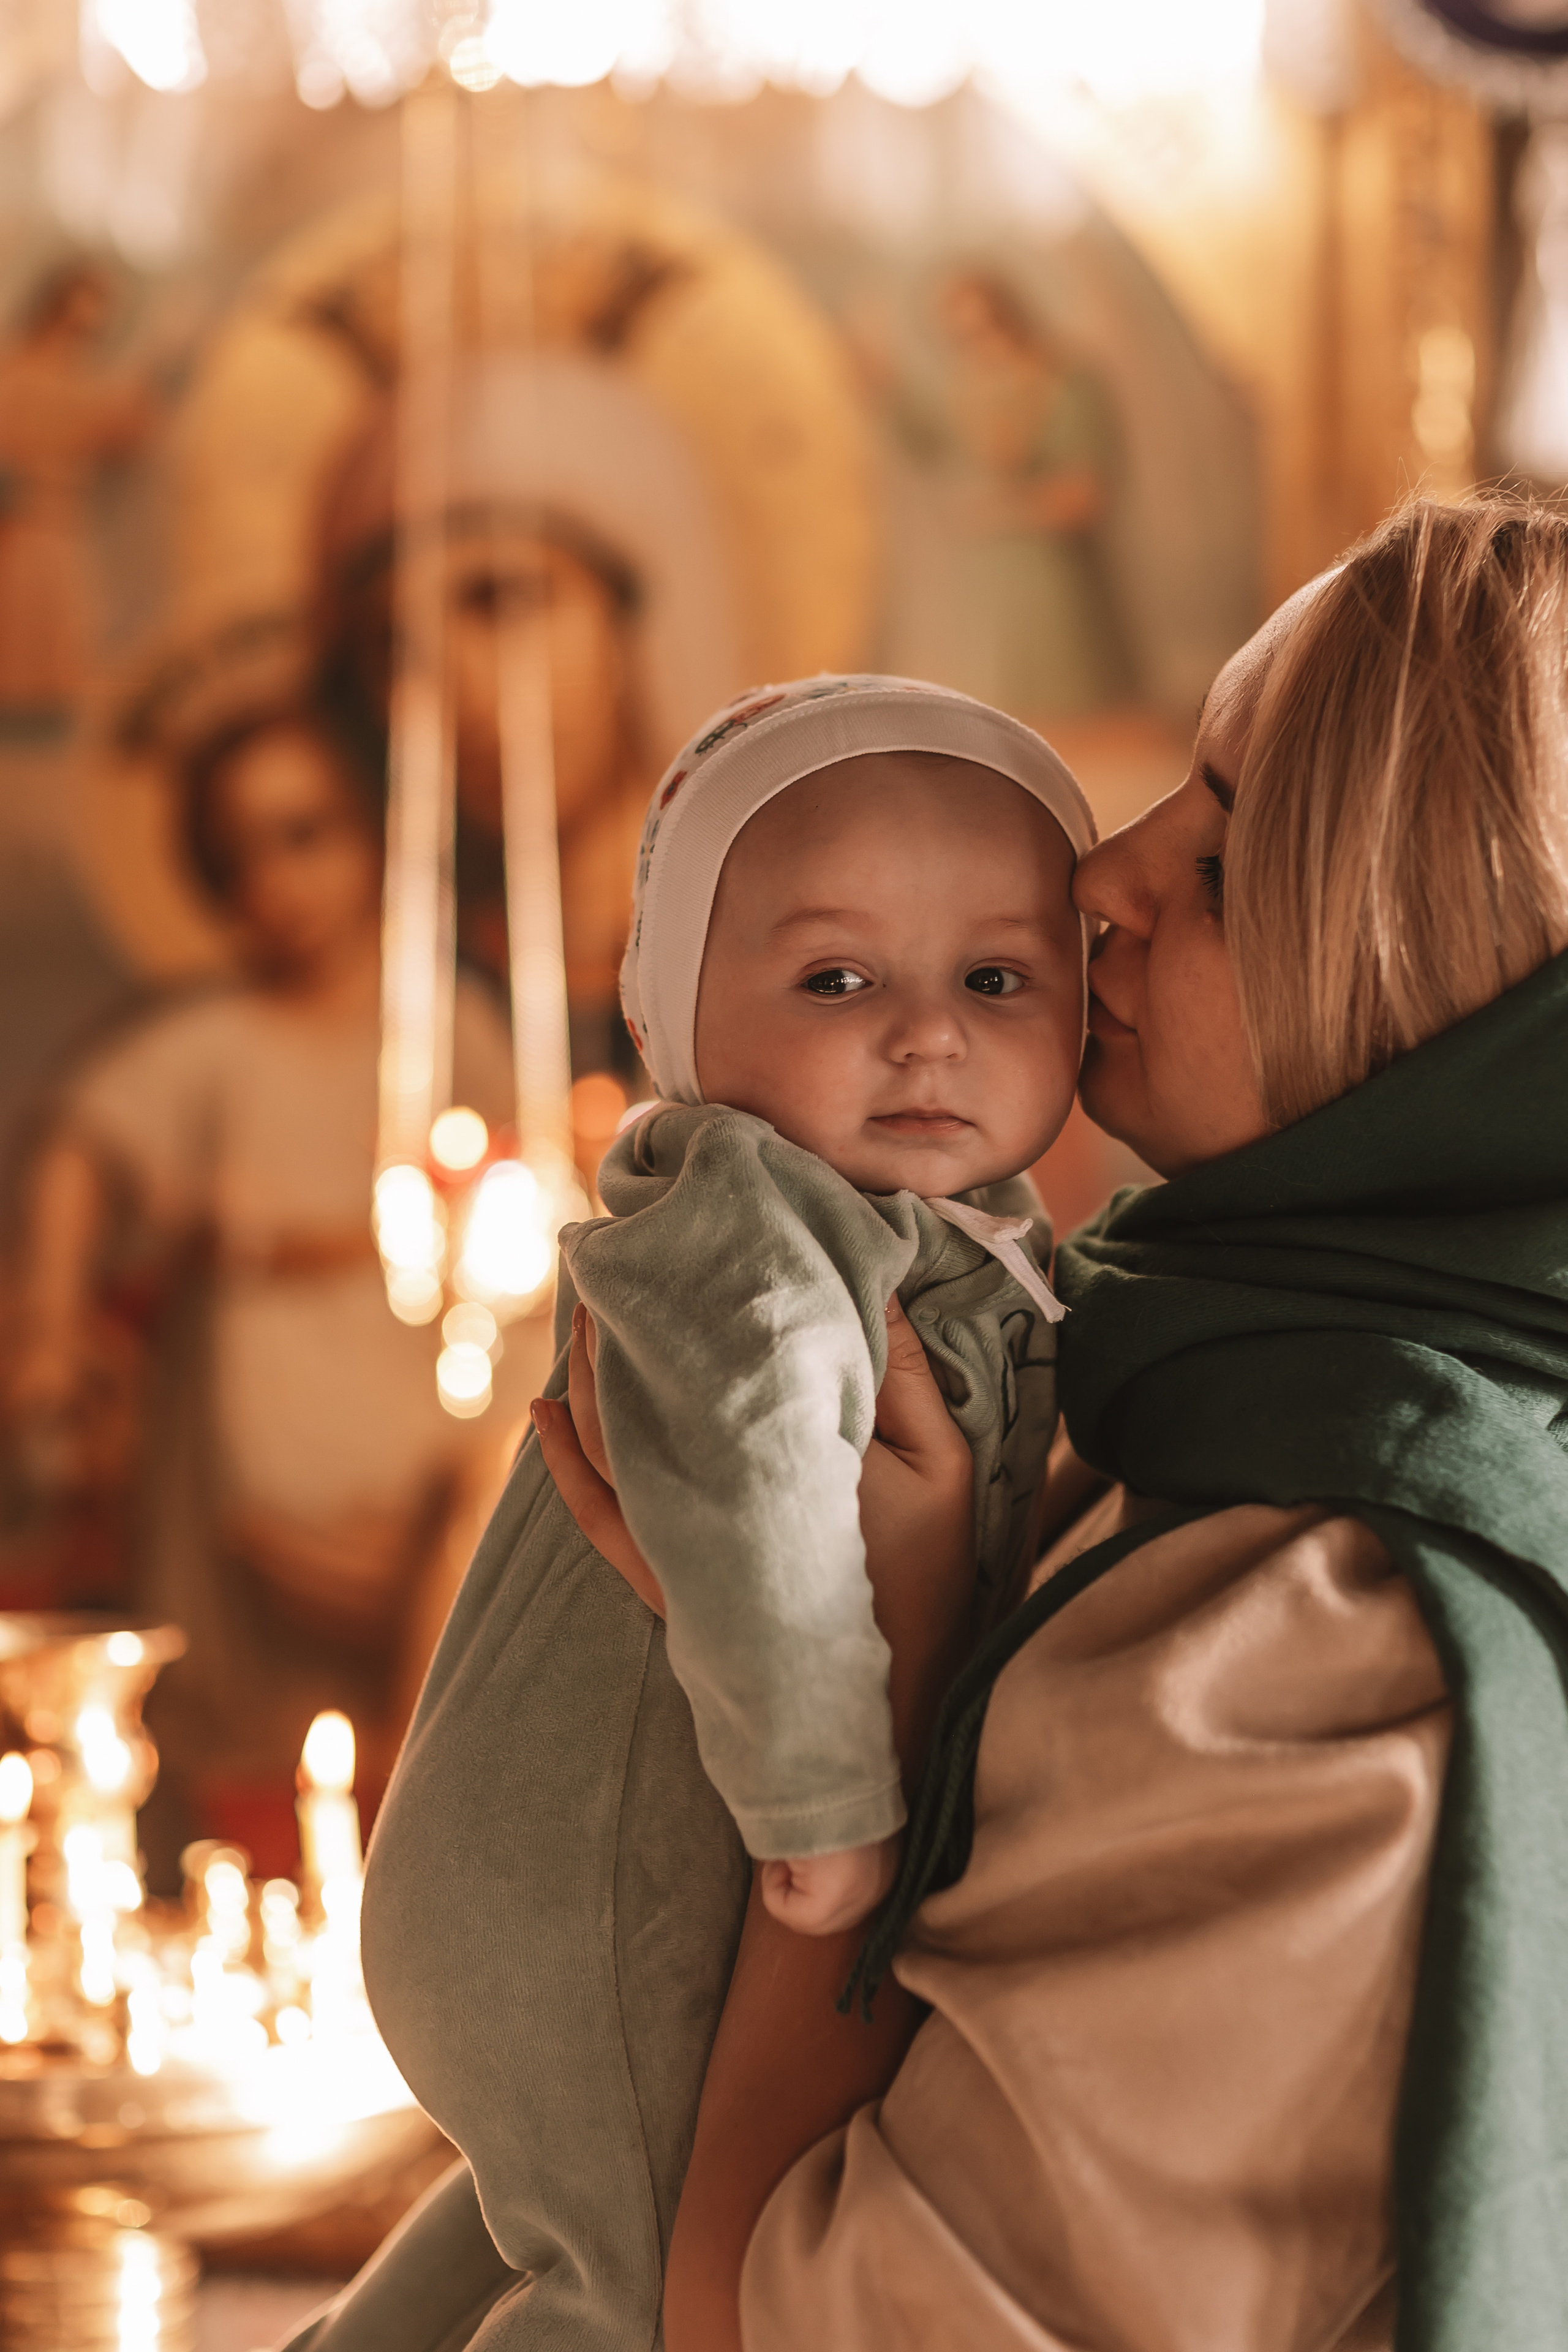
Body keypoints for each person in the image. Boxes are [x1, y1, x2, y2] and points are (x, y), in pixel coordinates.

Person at [526, 496, 1568, 2351]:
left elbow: (790, 2326)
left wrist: (886, 1698)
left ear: (1455, 1013)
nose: (1101, 878)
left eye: (1234, 859)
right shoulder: (1221, 1385)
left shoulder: (1323, 1656)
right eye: (1185, 783)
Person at [345, 676, 1089, 2352]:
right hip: (627, 1875)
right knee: (625, 2267)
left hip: (600, 1877)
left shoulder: (972, 1238)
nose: (927, 1032)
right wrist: (827, 1817)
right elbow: (766, 1487)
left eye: (997, 978)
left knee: (538, 2208)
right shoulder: (750, 1232)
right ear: (679, 1015)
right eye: (839, 978)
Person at [9, 706, 527, 1867]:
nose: (276, 885)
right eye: (238, 858)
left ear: (375, 839)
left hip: (442, 1412)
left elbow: (517, 1203)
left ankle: (430, 1805)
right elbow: (80, 1143)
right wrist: (49, 1319)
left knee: (509, 1478)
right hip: (282, 1484)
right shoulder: (217, 1044)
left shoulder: (452, 1021)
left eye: (307, 837)